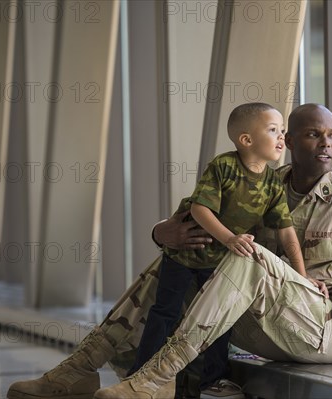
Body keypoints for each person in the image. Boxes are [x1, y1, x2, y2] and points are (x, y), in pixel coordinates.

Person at [6, 104, 332, 399]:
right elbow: (196, 216)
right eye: (312, 134)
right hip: (275, 320)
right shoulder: (265, 182)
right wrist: (162, 233)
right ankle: (80, 369)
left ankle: (156, 376)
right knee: (186, 251)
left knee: (245, 253)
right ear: (288, 140)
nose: (326, 143)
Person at [128, 102, 320, 394]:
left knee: (219, 320)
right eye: (273, 130)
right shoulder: (224, 167)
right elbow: (200, 210)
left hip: (218, 264)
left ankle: (213, 379)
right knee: (165, 314)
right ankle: (141, 374)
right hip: (184, 254)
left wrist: (302, 274)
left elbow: (286, 232)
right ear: (246, 140)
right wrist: (230, 238)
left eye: (282, 131)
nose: (282, 137)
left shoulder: (271, 183)